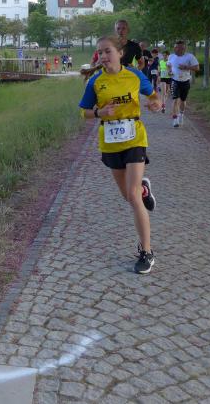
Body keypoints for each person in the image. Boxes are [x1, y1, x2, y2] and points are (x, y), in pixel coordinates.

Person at [79, 35, 162, 274]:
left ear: (120, 53)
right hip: (110, 142)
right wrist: (99, 112)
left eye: (108, 51)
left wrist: (156, 103)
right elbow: (83, 112)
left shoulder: (134, 76)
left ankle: (146, 252)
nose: (103, 56)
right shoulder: (95, 81)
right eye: (100, 52)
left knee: (133, 197)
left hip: (135, 137)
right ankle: (144, 189)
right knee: (129, 195)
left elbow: (154, 96)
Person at [166, 40, 200, 127]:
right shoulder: (171, 56)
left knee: (183, 100)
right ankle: (175, 119)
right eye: (176, 47)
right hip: (174, 80)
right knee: (175, 99)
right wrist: (169, 71)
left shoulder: (190, 57)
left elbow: (197, 68)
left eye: (179, 48)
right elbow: (168, 65)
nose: (177, 49)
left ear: (184, 49)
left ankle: (181, 114)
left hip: (185, 81)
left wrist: (186, 67)